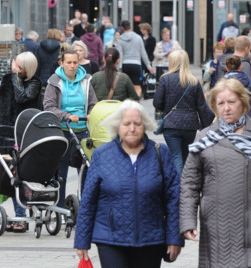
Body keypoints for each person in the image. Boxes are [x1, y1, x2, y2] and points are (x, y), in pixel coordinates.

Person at [180, 78, 251, 267]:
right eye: (221, 103)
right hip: (218, 226)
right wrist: (187, 221)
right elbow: (189, 184)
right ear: (214, 107)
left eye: (231, 102)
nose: (226, 108)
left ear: (243, 102)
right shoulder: (204, 138)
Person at [74, 100, 183, 267]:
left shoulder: (160, 153)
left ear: (145, 125)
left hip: (151, 238)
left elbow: (174, 199)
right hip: (110, 238)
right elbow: (88, 200)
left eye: (137, 124)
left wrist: (175, 237)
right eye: (126, 124)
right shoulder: (102, 155)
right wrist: (82, 240)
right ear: (117, 126)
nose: (132, 129)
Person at [43, 49, 98, 207]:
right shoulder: (54, 81)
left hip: (83, 131)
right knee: (61, 173)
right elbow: (48, 107)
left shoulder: (86, 81)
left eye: (75, 62)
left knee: (86, 171)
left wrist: (91, 114)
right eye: (69, 62)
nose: (72, 66)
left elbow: (93, 103)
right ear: (62, 63)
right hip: (62, 132)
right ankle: (59, 208)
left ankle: (85, 207)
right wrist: (66, 116)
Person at [0, 52, 41, 229]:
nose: (14, 67)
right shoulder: (7, 80)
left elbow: (22, 97)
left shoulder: (34, 83)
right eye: (15, 63)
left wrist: (16, 77)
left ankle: (21, 217)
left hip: (23, 135)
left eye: (18, 65)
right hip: (4, 133)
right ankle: (17, 216)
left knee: (18, 175)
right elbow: (0, 106)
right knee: (6, 174)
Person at [153, 50, 214, 176]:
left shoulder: (165, 79)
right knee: (186, 156)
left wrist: (167, 108)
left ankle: (179, 187)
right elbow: (201, 106)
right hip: (190, 125)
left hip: (171, 124)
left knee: (175, 156)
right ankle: (187, 185)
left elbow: (157, 102)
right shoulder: (194, 81)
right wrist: (206, 126)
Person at [223, 55, 251, 124]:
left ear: (226, 68)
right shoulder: (250, 83)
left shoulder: (222, 85)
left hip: (229, 120)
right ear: (240, 67)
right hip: (248, 119)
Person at [117, 20, 154, 98]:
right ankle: (136, 103)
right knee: (137, 86)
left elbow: (119, 54)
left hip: (125, 65)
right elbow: (143, 53)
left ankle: (128, 104)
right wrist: (148, 66)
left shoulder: (120, 39)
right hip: (136, 65)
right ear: (130, 26)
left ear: (122, 28)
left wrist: (119, 68)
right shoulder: (138, 37)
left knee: (126, 87)